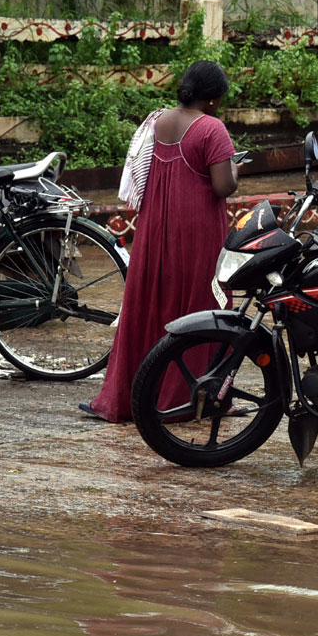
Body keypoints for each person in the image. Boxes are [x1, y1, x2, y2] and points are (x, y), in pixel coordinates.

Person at [81, 61, 239, 422]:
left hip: (156, 229)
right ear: (213, 100)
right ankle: (190, 396)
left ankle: (135, 394)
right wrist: (235, 170)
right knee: (202, 308)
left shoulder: (159, 121)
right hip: (197, 232)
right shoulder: (212, 128)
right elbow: (222, 186)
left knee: (153, 304)